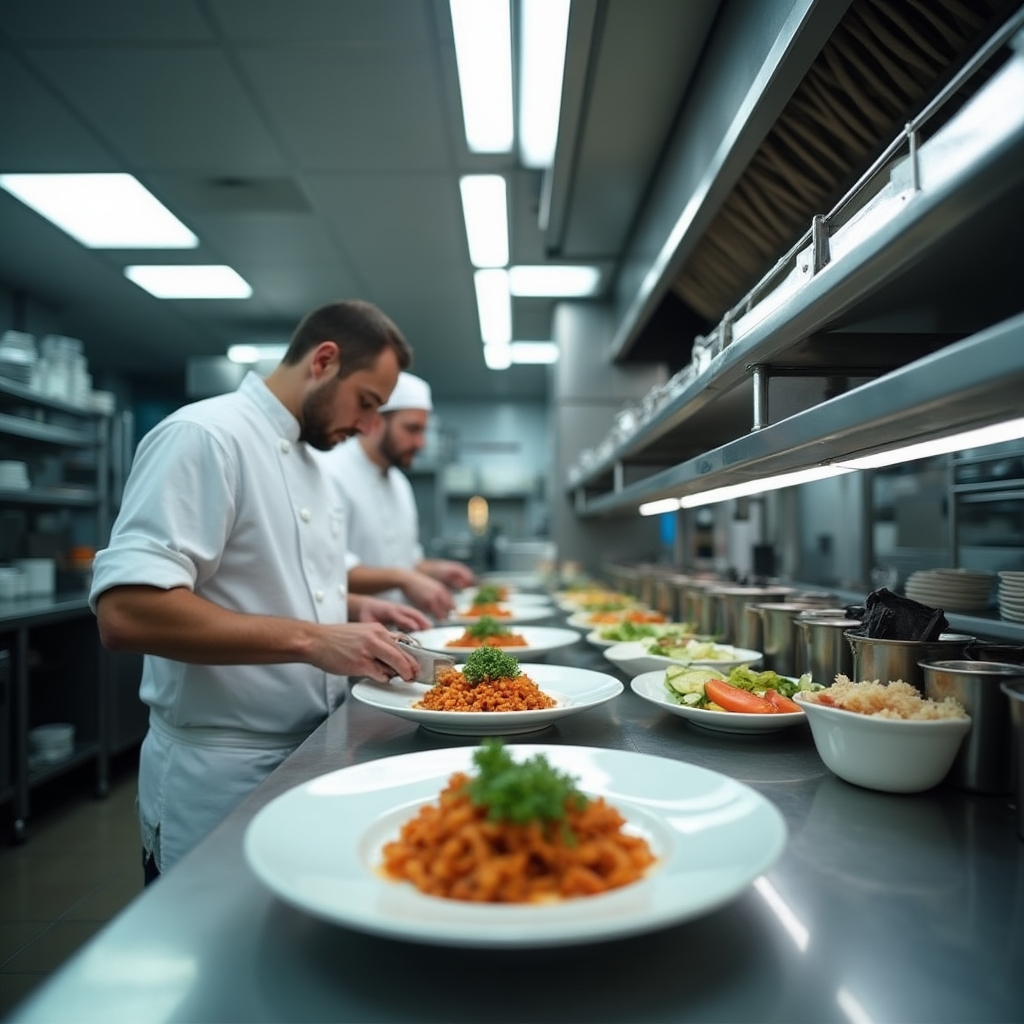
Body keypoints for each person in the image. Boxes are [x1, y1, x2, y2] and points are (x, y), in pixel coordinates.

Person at [90, 300, 431, 881]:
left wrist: (352, 605)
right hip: (217, 771)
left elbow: (269, 582)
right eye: (367, 403)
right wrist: (313, 638)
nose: (369, 426)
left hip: (309, 755)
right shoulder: (205, 436)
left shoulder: (316, 467)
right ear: (324, 361)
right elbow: (126, 613)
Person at [321, 371, 476, 619]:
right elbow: (328, 571)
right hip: (349, 633)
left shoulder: (400, 483)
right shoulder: (330, 471)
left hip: (399, 632)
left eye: (423, 431)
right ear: (375, 422)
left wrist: (436, 570)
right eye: (412, 429)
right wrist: (403, 578)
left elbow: (407, 560)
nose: (421, 443)